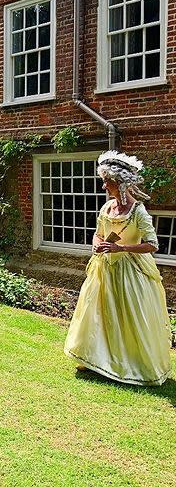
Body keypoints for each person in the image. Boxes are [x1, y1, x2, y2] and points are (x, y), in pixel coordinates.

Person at [64, 150, 172, 386]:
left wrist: (121, 248)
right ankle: (94, 358)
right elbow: (98, 234)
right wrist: (96, 244)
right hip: (103, 269)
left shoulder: (138, 212)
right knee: (98, 313)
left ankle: (131, 362)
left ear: (121, 184)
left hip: (130, 272)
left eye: (108, 182)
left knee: (127, 314)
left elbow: (152, 245)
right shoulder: (107, 209)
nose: (104, 187)